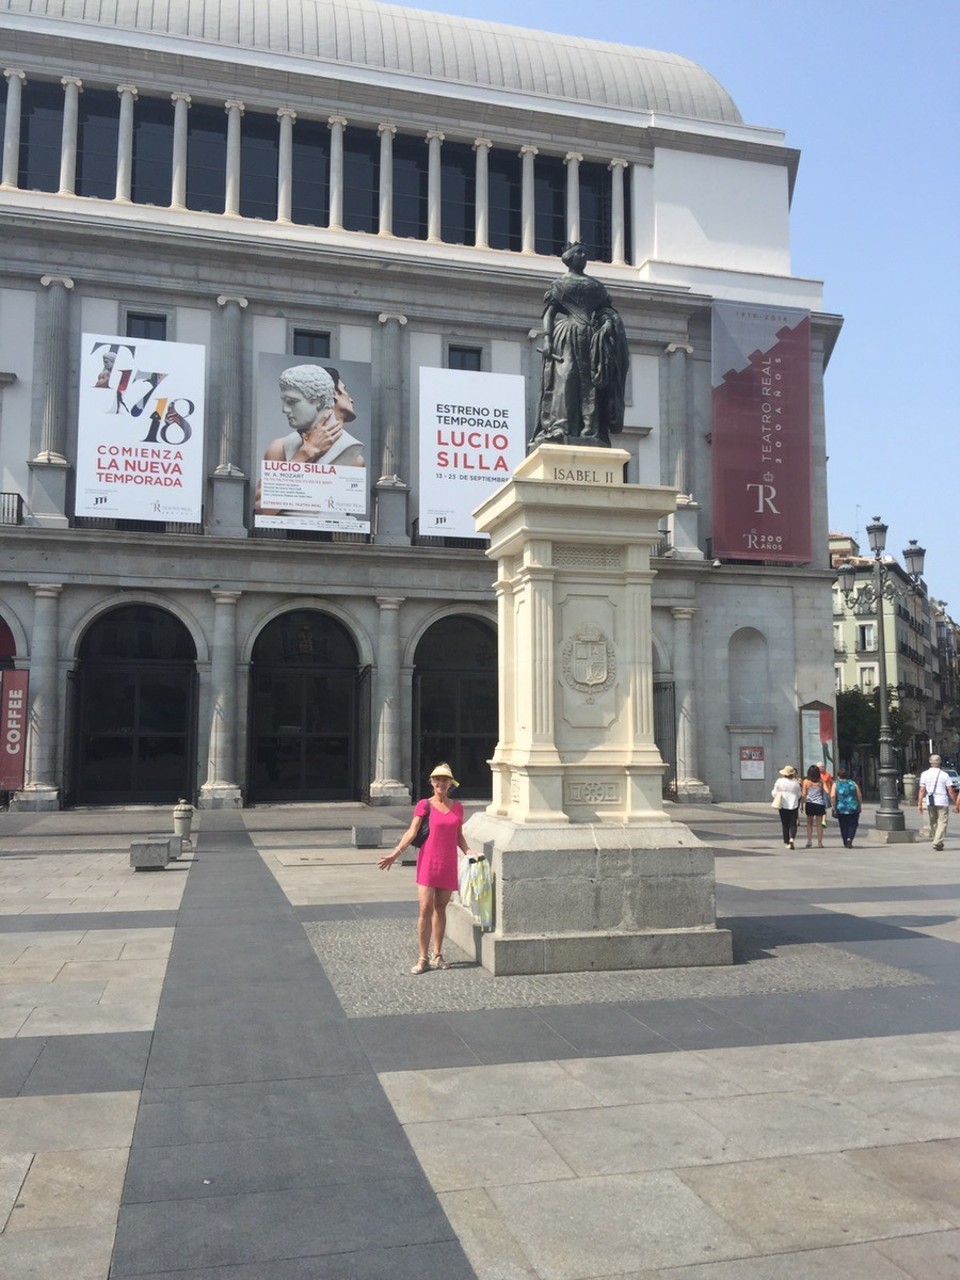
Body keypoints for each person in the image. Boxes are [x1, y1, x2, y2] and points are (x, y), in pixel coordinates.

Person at [529, 241, 629, 450]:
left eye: (585, 252)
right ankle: (561, 426)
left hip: (591, 338)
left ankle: (589, 429)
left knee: (591, 382)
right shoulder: (560, 284)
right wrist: (547, 339)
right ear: (568, 257)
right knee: (566, 378)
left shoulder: (596, 286)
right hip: (566, 334)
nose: (583, 256)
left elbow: (606, 311)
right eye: (578, 252)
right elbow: (550, 314)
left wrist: (609, 321)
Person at [378, 763, 476, 973]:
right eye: (437, 780)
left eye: (445, 780)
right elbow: (412, 831)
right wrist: (396, 853)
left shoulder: (457, 807)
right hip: (428, 862)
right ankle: (422, 957)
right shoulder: (425, 805)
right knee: (425, 908)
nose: (441, 783)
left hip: (448, 863)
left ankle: (437, 953)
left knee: (441, 908)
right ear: (431, 782)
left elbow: (459, 837)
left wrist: (470, 852)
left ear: (451, 783)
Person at [254, 364, 365, 514]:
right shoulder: (280, 447)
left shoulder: (353, 455)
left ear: (319, 401)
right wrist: (305, 454)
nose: (284, 409)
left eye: (292, 401)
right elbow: (263, 511)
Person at [917, 753, 956, 850]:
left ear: (930, 762)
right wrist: (956, 802)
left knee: (933, 822)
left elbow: (922, 789)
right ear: (939, 762)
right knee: (942, 822)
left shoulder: (924, 774)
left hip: (931, 801)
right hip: (942, 801)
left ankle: (938, 841)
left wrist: (920, 803)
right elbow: (950, 790)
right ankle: (937, 841)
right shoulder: (944, 775)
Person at [830, 768, 863, 848]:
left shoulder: (836, 784)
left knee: (843, 825)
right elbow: (859, 795)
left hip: (841, 808)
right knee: (853, 824)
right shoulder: (853, 783)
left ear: (838, 776)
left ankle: (845, 840)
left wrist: (834, 806)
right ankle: (849, 839)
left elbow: (833, 796)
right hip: (853, 807)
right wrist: (860, 804)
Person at [771, 764, 802, 848]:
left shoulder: (779, 781)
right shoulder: (796, 783)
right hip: (794, 805)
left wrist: (778, 796)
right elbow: (799, 794)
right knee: (793, 824)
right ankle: (792, 838)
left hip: (782, 804)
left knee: (785, 824)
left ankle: (786, 842)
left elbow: (774, 792)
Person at [801, 764, 829, 848]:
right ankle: (820, 842)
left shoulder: (806, 781)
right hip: (820, 804)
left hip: (809, 803)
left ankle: (809, 841)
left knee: (809, 824)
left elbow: (804, 794)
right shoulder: (821, 781)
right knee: (819, 824)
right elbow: (827, 791)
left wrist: (802, 805)